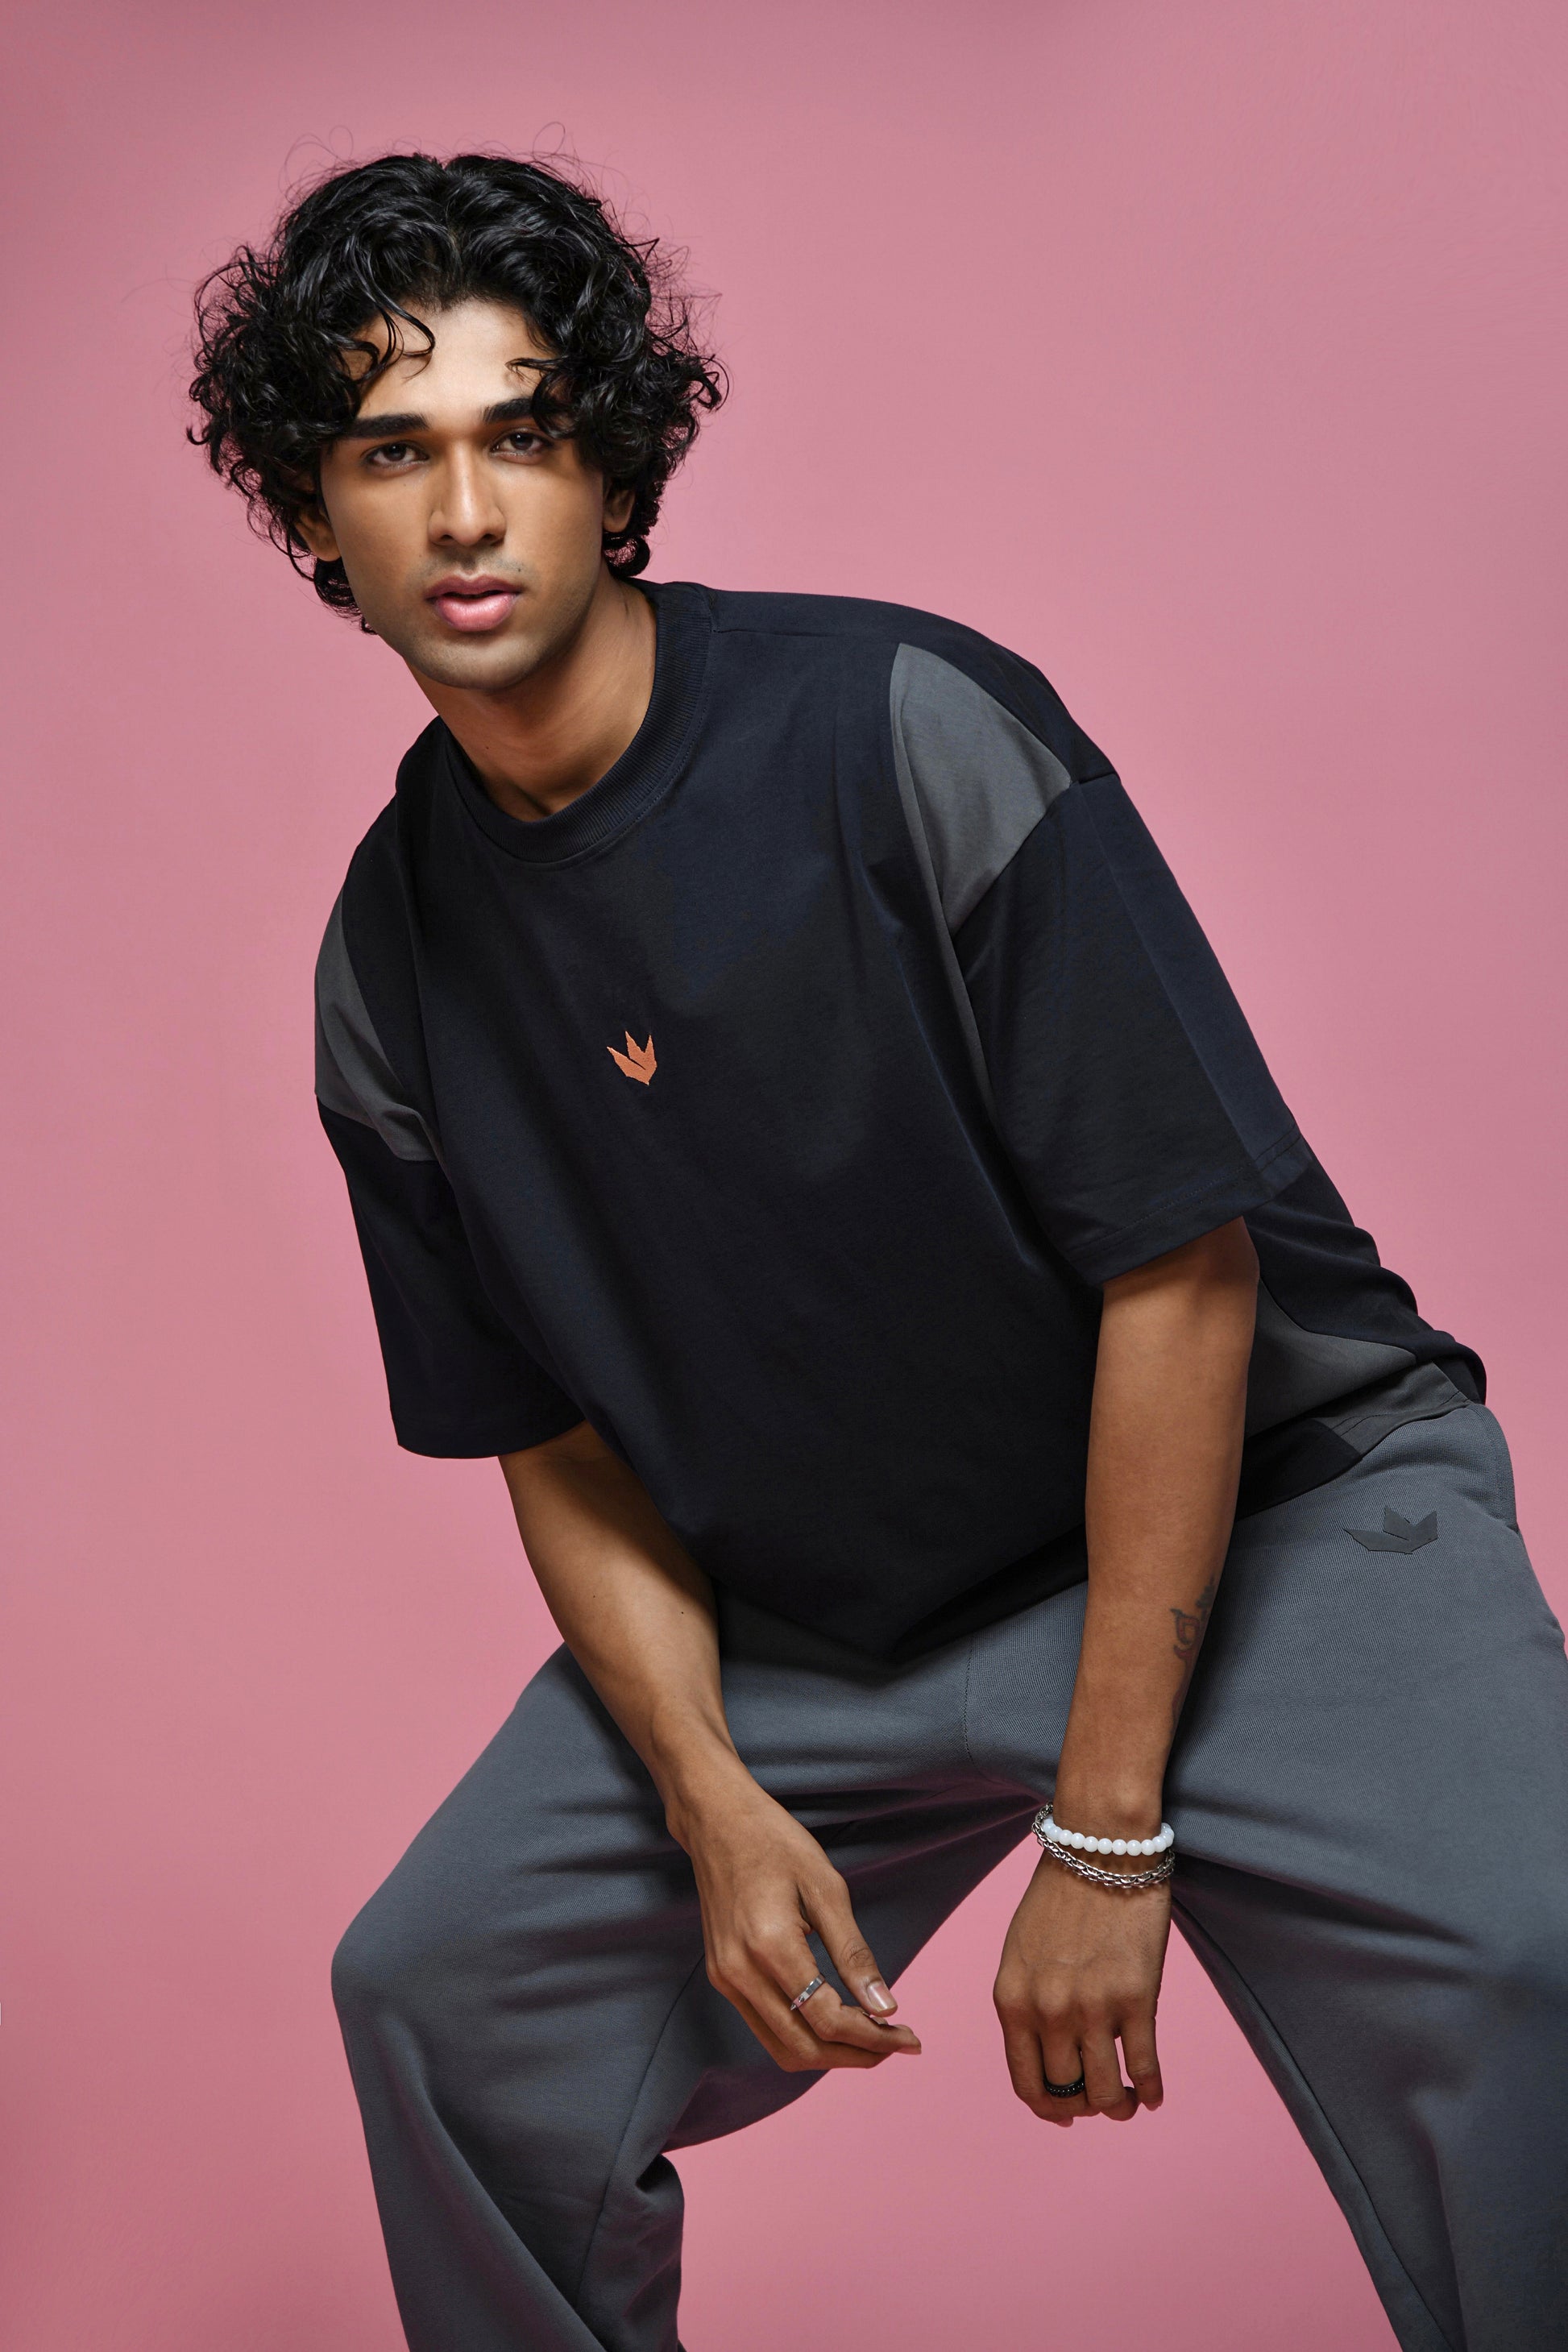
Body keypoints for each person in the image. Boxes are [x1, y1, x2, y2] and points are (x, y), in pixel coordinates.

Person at [189, 150, 1568, 2352]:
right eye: (389, 451)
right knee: (439, 1996)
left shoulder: (908, 726)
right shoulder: (387, 965)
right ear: (313, 511)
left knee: (1528, 1958)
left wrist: (1105, 1836)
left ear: (613, 468)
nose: (462, 512)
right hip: (822, 1622)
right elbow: (553, 1439)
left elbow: (1183, 1274)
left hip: (1275, 1511)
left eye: (522, 434)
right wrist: (708, 1799)